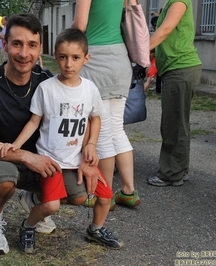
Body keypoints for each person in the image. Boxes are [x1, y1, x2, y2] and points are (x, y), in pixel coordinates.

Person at [0, 13, 123, 255]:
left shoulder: (49, 82)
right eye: (17, 43)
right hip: (1, 158)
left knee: (81, 194)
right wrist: (24, 155)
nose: (23, 53)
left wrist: (87, 154)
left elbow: (77, 118)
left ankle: (32, 201)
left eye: (32, 45)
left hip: (45, 161)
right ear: (5, 44)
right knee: (4, 179)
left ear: (40, 48)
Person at [72, 0, 140, 208]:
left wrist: (64, 37)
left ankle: (105, 195)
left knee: (100, 132)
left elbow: (80, 26)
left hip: (96, 59)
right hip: (120, 59)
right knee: (116, 129)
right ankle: (128, 191)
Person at [146, 0, 202, 186]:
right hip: (175, 69)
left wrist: (141, 50)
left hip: (181, 69)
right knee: (177, 123)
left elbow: (166, 29)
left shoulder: (179, 0)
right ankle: (179, 169)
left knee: (174, 124)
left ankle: (171, 174)